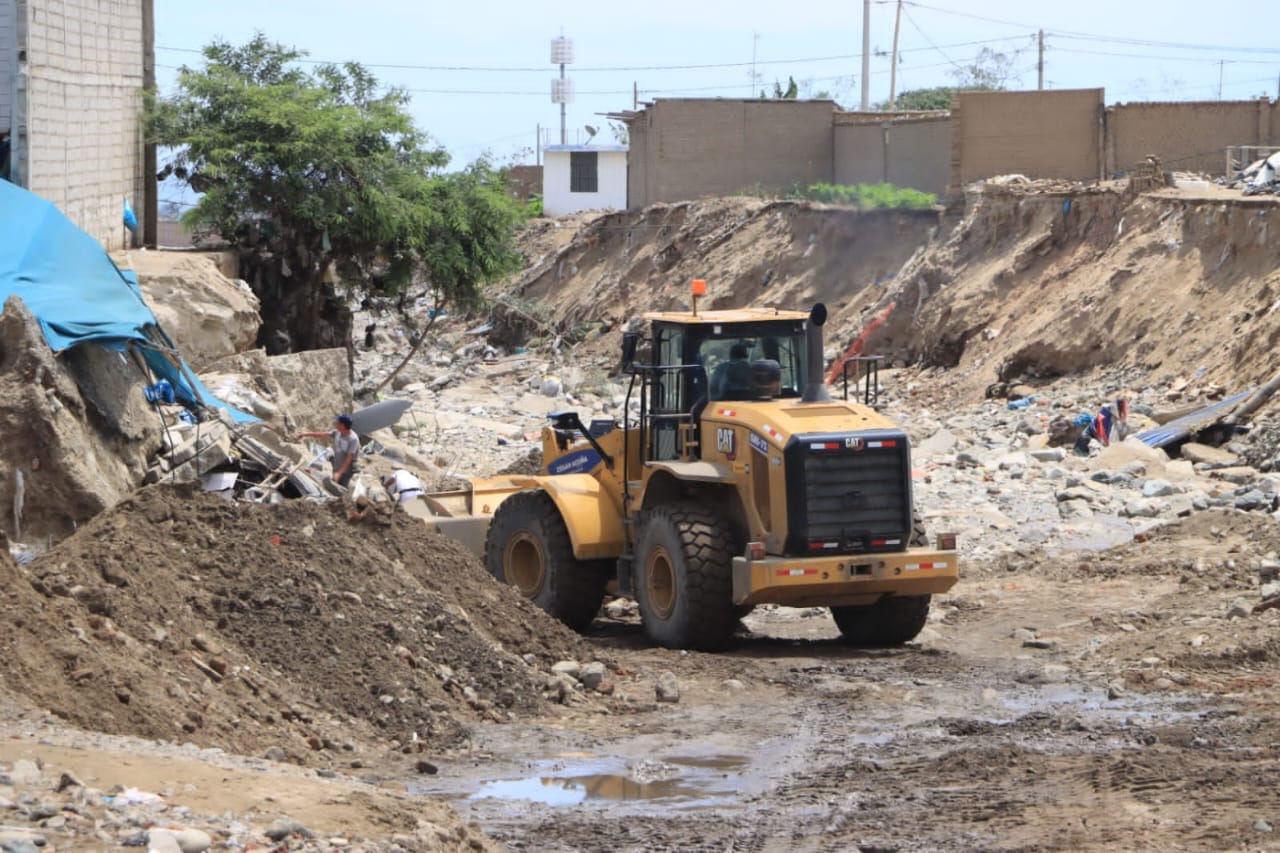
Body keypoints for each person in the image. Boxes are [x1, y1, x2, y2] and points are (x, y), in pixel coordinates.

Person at [298, 414, 360, 487]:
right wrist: (305, 434)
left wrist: (339, 473)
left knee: (340, 488)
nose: (335, 423)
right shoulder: (337, 432)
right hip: (337, 464)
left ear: (342, 425)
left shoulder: (353, 439)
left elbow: (348, 459)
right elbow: (322, 435)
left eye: (337, 422)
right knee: (334, 482)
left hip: (346, 470)